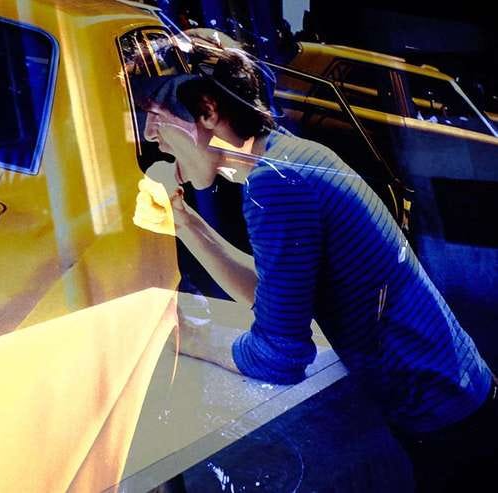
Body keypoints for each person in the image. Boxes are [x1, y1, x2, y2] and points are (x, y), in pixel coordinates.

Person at [132, 49, 498, 491]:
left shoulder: (276, 185)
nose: (151, 135)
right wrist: (182, 219)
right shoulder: (289, 158)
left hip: (444, 412)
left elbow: (278, 357)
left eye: (155, 115)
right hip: (454, 394)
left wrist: (186, 338)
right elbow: (272, 292)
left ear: (207, 111)